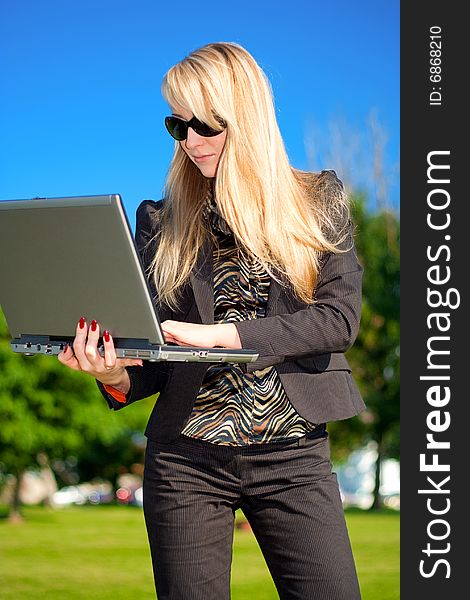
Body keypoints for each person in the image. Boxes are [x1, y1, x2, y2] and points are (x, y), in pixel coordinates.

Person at [58, 41, 365, 600]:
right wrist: (112, 374)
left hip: (293, 452)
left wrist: (225, 336)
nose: (192, 141)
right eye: (178, 126)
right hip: (184, 459)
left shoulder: (319, 199)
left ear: (245, 116)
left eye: (205, 124)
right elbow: (154, 360)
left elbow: (337, 321)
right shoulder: (161, 219)